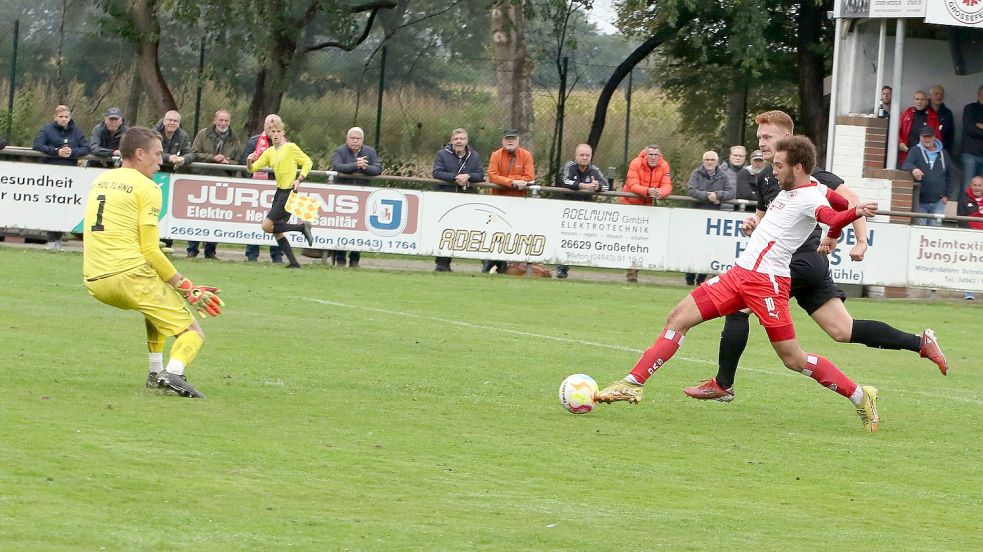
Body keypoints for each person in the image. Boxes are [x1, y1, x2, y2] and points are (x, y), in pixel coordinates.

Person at [596, 135, 884, 432]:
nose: (773, 171)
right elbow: (838, 205)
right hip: (739, 275)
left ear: (798, 167)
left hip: (768, 284)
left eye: (779, 165)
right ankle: (633, 383)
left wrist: (851, 216)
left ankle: (862, 396)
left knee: (793, 359)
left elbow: (831, 214)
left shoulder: (812, 198)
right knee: (677, 319)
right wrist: (840, 224)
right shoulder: (813, 188)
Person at [684, 110, 948, 405]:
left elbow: (852, 203)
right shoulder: (768, 177)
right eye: (759, 138)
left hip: (796, 263)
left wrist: (860, 241)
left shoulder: (811, 176)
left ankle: (723, 384)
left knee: (739, 308)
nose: (761, 143)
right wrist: (751, 225)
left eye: (767, 137)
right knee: (843, 330)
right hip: (806, 266)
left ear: (787, 139)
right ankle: (920, 343)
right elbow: (764, 219)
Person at [82, 126, 223, 398]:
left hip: (95, 279)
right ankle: (174, 372)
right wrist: (186, 287)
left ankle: (155, 370)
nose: (162, 159)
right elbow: (149, 249)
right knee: (192, 332)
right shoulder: (148, 187)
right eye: (157, 154)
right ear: (138, 154)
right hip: (128, 276)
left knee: (155, 303)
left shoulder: (101, 180)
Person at [245, 118, 314, 269]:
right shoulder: (269, 152)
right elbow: (253, 169)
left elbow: (308, 162)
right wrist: (249, 161)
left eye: (278, 131)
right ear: (269, 133)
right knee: (275, 230)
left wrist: (299, 179)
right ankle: (294, 263)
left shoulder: (290, 147)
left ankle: (301, 228)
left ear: (283, 133)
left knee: (266, 226)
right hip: (279, 193)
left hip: (289, 193)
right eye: (273, 132)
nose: (275, 134)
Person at [32, 104, 91, 250]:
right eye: (61, 117)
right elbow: (37, 145)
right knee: (51, 205)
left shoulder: (76, 132)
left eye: (66, 117)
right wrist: (56, 151)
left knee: (64, 206)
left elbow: (86, 148)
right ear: (55, 117)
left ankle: (59, 238)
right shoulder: (47, 129)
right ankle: (51, 239)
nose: (64, 119)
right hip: (51, 175)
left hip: (70, 175)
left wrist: (73, 152)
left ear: (70, 117)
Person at [188, 109, 243, 259]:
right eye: (221, 120)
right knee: (197, 215)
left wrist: (227, 162)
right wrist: (213, 158)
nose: (223, 123)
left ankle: (210, 251)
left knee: (216, 216)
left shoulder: (235, 139)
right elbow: (194, 153)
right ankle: (192, 249)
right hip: (202, 178)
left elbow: (238, 161)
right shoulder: (202, 134)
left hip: (222, 182)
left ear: (229, 122)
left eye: (226, 121)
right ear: (215, 120)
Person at [431, 128, 485, 272]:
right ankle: (442, 264)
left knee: (475, 231)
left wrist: (468, 176)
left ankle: (487, 265)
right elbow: (436, 172)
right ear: (451, 141)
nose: (459, 141)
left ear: (467, 141)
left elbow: (480, 174)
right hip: (446, 198)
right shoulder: (442, 154)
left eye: (462, 139)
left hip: (467, 199)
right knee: (445, 232)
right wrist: (455, 177)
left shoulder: (474, 156)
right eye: (456, 139)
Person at [484, 129, 535, 273]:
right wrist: (513, 181)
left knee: (514, 234)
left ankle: (505, 266)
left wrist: (510, 180)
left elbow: (529, 177)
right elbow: (493, 176)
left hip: (518, 203)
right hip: (498, 202)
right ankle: (491, 263)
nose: (510, 141)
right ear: (503, 141)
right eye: (507, 139)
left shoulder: (526, 155)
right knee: (496, 234)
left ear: (518, 141)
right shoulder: (496, 155)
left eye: (513, 139)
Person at [330, 126, 382, 268]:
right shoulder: (339, 151)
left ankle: (355, 259)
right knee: (342, 226)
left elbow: (378, 169)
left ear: (362, 140)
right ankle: (340, 259)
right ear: (347, 139)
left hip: (362, 195)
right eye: (352, 138)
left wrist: (364, 167)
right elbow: (337, 166)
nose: (354, 141)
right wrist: (355, 165)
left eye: (357, 138)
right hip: (342, 196)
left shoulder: (370, 152)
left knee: (359, 228)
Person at [556, 143, 609, 279]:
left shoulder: (594, 170)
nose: (584, 158)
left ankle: (566, 267)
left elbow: (606, 186)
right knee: (562, 238)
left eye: (587, 155)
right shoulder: (569, 166)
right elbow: (564, 181)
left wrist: (597, 186)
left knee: (575, 239)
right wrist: (583, 186)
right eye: (582, 155)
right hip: (564, 209)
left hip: (583, 212)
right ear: (576, 156)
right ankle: (560, 267)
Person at [621, 145, 672, 282]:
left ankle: (634, 272)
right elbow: (632, 184)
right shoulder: (635, 163)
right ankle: (631, 272)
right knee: (630, 240)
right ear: (646, 155)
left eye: (656, 155)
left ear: (660, 156)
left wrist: (660, 193)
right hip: (629, 205)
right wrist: (648, 191)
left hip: (647, 207)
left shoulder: (664, 166)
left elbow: (667, 185)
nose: (653, 157)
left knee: (642, 240)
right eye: (651, 154)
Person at [685, 150, 734, 285]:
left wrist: (717, 195)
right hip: (696, 216)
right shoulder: (696, 174)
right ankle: (689, 278)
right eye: (707, 160)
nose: (710, 162)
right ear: (703, 161)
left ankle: (701, 279)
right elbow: (691, 190)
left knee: (707, 249)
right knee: (694, 248)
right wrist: (707, 196)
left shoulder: (722, 176)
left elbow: (731, 192)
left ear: (717, 162)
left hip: (713, 219)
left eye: (712, 160)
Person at [241, 114, 285, 263]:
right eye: (268, 125)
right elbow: (243, 163)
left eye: (274, 126)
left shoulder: (286, 145)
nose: (270, 128)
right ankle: (252, 255)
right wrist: (250, 160)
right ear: (264, 126)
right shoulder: (254, 142)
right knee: (255, 219)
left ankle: (277, 255)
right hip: (256, 187)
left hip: (278, 186)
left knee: (276, 221)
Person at [152, 110, 194, 248]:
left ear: (179, 123)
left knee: (168, 211)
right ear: (164, 121)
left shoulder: (183, 136)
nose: (172, 123)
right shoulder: (153, 134)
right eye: (169, 120)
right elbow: (151, 152)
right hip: (152, 175)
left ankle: (167, 245)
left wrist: (183, 159)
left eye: (175, 121)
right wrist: (168, 158)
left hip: (171, 180)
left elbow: (191, 153)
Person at [902, 125, 958, 226]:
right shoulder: (915, 151)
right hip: (920, 201)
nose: (927, 139)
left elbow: (950, 175)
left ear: (934, 137)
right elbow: (906, 164)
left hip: (938, 202)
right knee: (920, 232)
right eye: (924, 136)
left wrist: (947, 195)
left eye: (929, 136)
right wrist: (914, 169)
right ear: (920, 137)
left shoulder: (944, 154)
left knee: (935, 233)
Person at [897, 91, 940, 168]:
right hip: (906, 153)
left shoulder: (932, 117)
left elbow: (937, 137)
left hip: (925, 155)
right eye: (917, 99)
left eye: (922, 99)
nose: (919, 102)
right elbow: (896, 133)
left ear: (927, 101)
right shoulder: (906, 114)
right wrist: (900, 144)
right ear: (914, 100)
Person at [957, 176, 983, 300]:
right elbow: (960, 218)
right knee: (970, 264)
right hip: (970, 236)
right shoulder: (963, 198)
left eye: (980, 185)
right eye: (975, 185)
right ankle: (969, 293)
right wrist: (970, 233)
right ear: (971, 186)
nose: (977, 188)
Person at [960, 85, 983, 196]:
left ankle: (979, 212)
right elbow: (970, 129)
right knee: (967, 185)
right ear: (978, 95)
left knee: (981, 187)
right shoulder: (970, 108)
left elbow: (974, 129)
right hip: (970, 153)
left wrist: (979, 126)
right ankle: (963, 212)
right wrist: (976, 128)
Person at [928, 85, 955, 153]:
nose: (939, 96)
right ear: (930, 95)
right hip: (924, 150)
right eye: (936, 93)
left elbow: (950, 135)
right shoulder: (923, 111)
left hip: (942, 150)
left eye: (941, 94)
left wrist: (947, 152)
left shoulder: (947, 113)